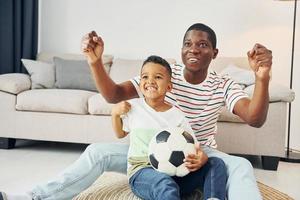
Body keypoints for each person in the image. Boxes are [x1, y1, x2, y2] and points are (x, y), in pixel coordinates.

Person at [0, 23, 272, 200]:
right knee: (98, 151)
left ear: (214, 52)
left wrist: (261, 78)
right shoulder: (164, 74)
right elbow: (114, 95)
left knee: (239, 164)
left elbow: (254, 118)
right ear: (181, 49)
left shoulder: (223, 83)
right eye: (188, 43)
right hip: (148, 151)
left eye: (202, 45)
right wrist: (95, 63)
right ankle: (32, 197)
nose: (194, 49)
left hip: (197, 152)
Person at [111, 55, 227, 200]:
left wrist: (201, 158)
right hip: (142, 172)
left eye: (158, 77)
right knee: (164, 184)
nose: (150, 81)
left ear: (169, 86)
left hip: (175, 173)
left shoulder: (177, 115)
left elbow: (195, 146)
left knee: (216, 163)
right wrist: (115, 114)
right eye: (145, 77)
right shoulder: (133, 107)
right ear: (140, 82)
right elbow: (120, 133)